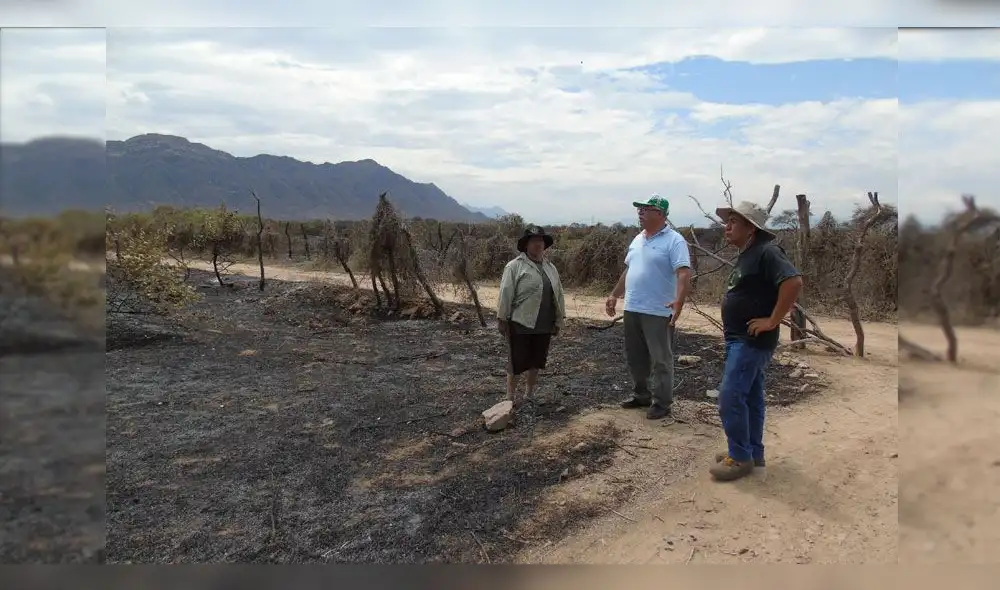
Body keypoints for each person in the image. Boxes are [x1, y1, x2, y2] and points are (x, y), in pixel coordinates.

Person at [709, 200, 803, 482]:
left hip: (750, 341)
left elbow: (793, 282)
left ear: (751, 228)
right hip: (740, 339)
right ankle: (750, 452)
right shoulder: (748, 254)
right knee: (749, 397)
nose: (726, 226)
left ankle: (739, 458)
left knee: (729, 397)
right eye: (727, 221)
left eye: (733, 222)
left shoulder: (767, 251)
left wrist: (773, 320)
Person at [605, 194, 692, 421]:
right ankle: (641, 395)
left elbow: (684, 272)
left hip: (658, 309)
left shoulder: (674, 240)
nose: (640, 213)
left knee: (661, 358)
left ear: (661, 214)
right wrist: (615, 294)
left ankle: (662, 402)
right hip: (633, 307)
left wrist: (679, 301)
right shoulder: (638, 239)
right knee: (636, 357)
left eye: (646, 209)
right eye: (639, 209)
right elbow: (629, 270)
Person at [496, 226, 567, 407]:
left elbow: (558, 295)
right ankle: (509, 397)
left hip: (543, 323)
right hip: (521, 323)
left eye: (541, 241)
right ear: (526, 244)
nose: (538, 244)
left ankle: (529, 394)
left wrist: (559, 319)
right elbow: (505, 293)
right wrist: (502, 318)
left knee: (536, 360)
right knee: (516, 362)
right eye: (534, 241)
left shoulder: (550, 268)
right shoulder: (514, 267)